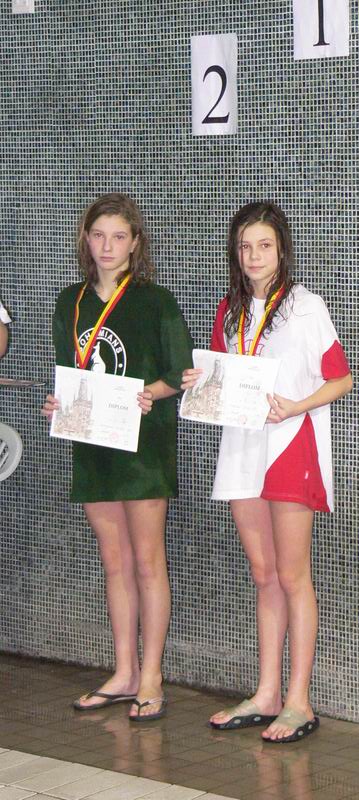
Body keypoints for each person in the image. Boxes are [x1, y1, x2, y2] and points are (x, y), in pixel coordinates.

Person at [182, 202, 352, 743]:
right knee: (263, 575)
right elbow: (223, 379)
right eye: (245, 247)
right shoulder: (228, 311)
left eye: (264, 246)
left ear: (281, 250)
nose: (254, 256)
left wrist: (296, 405)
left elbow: (341, 379)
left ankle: (299, 701)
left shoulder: (306, 306)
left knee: (293, 574)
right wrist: (198, 383)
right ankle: (267, 692)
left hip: (291, 446)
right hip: (242, 450)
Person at [42, 193, 193, 721]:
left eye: (118, 237)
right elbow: (69, 371)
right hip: (93, 446)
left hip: (143, 448)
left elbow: (181, 373)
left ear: (134, 244)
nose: (107, 246)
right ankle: (124, 670)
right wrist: (57, 402)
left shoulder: (155, 301)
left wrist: (150, 392)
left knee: (148, 562)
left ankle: (151, 676)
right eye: (99, 235)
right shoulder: (70, 301)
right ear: (86, 240)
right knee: (115, 563)